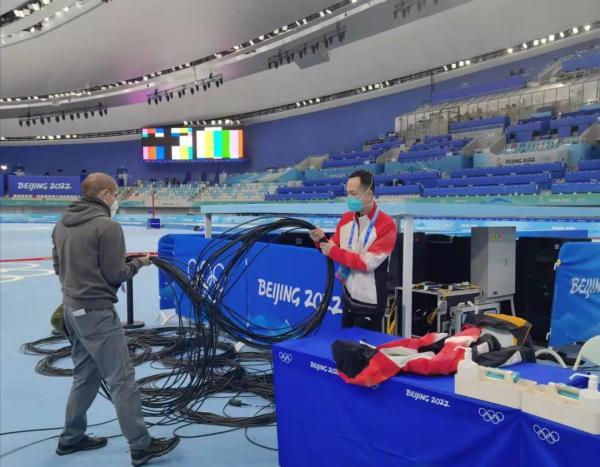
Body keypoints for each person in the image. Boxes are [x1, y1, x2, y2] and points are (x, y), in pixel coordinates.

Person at [51, 172, 179, 466]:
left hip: (72, 309)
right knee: (122, 379)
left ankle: (71, 438)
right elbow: (116, 274)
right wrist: (139, 263)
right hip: (96, 314)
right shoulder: (107, 227)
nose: (116, 200)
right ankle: (141, 445)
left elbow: (59, 267)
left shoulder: (62, 224)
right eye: (115, 195)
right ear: (106, 194)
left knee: (86, 375)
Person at [310, 170, 397, 331]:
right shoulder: (346, 219)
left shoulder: (387, 225)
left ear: (368, 195)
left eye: (353, 193)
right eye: (347, 193)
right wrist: (320, 240)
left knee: (363, 347)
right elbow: (332, 246)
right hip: (348, 299)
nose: (349, 198)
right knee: (345, 345)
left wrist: (333, 251)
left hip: (370, 303)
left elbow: (367, 263)